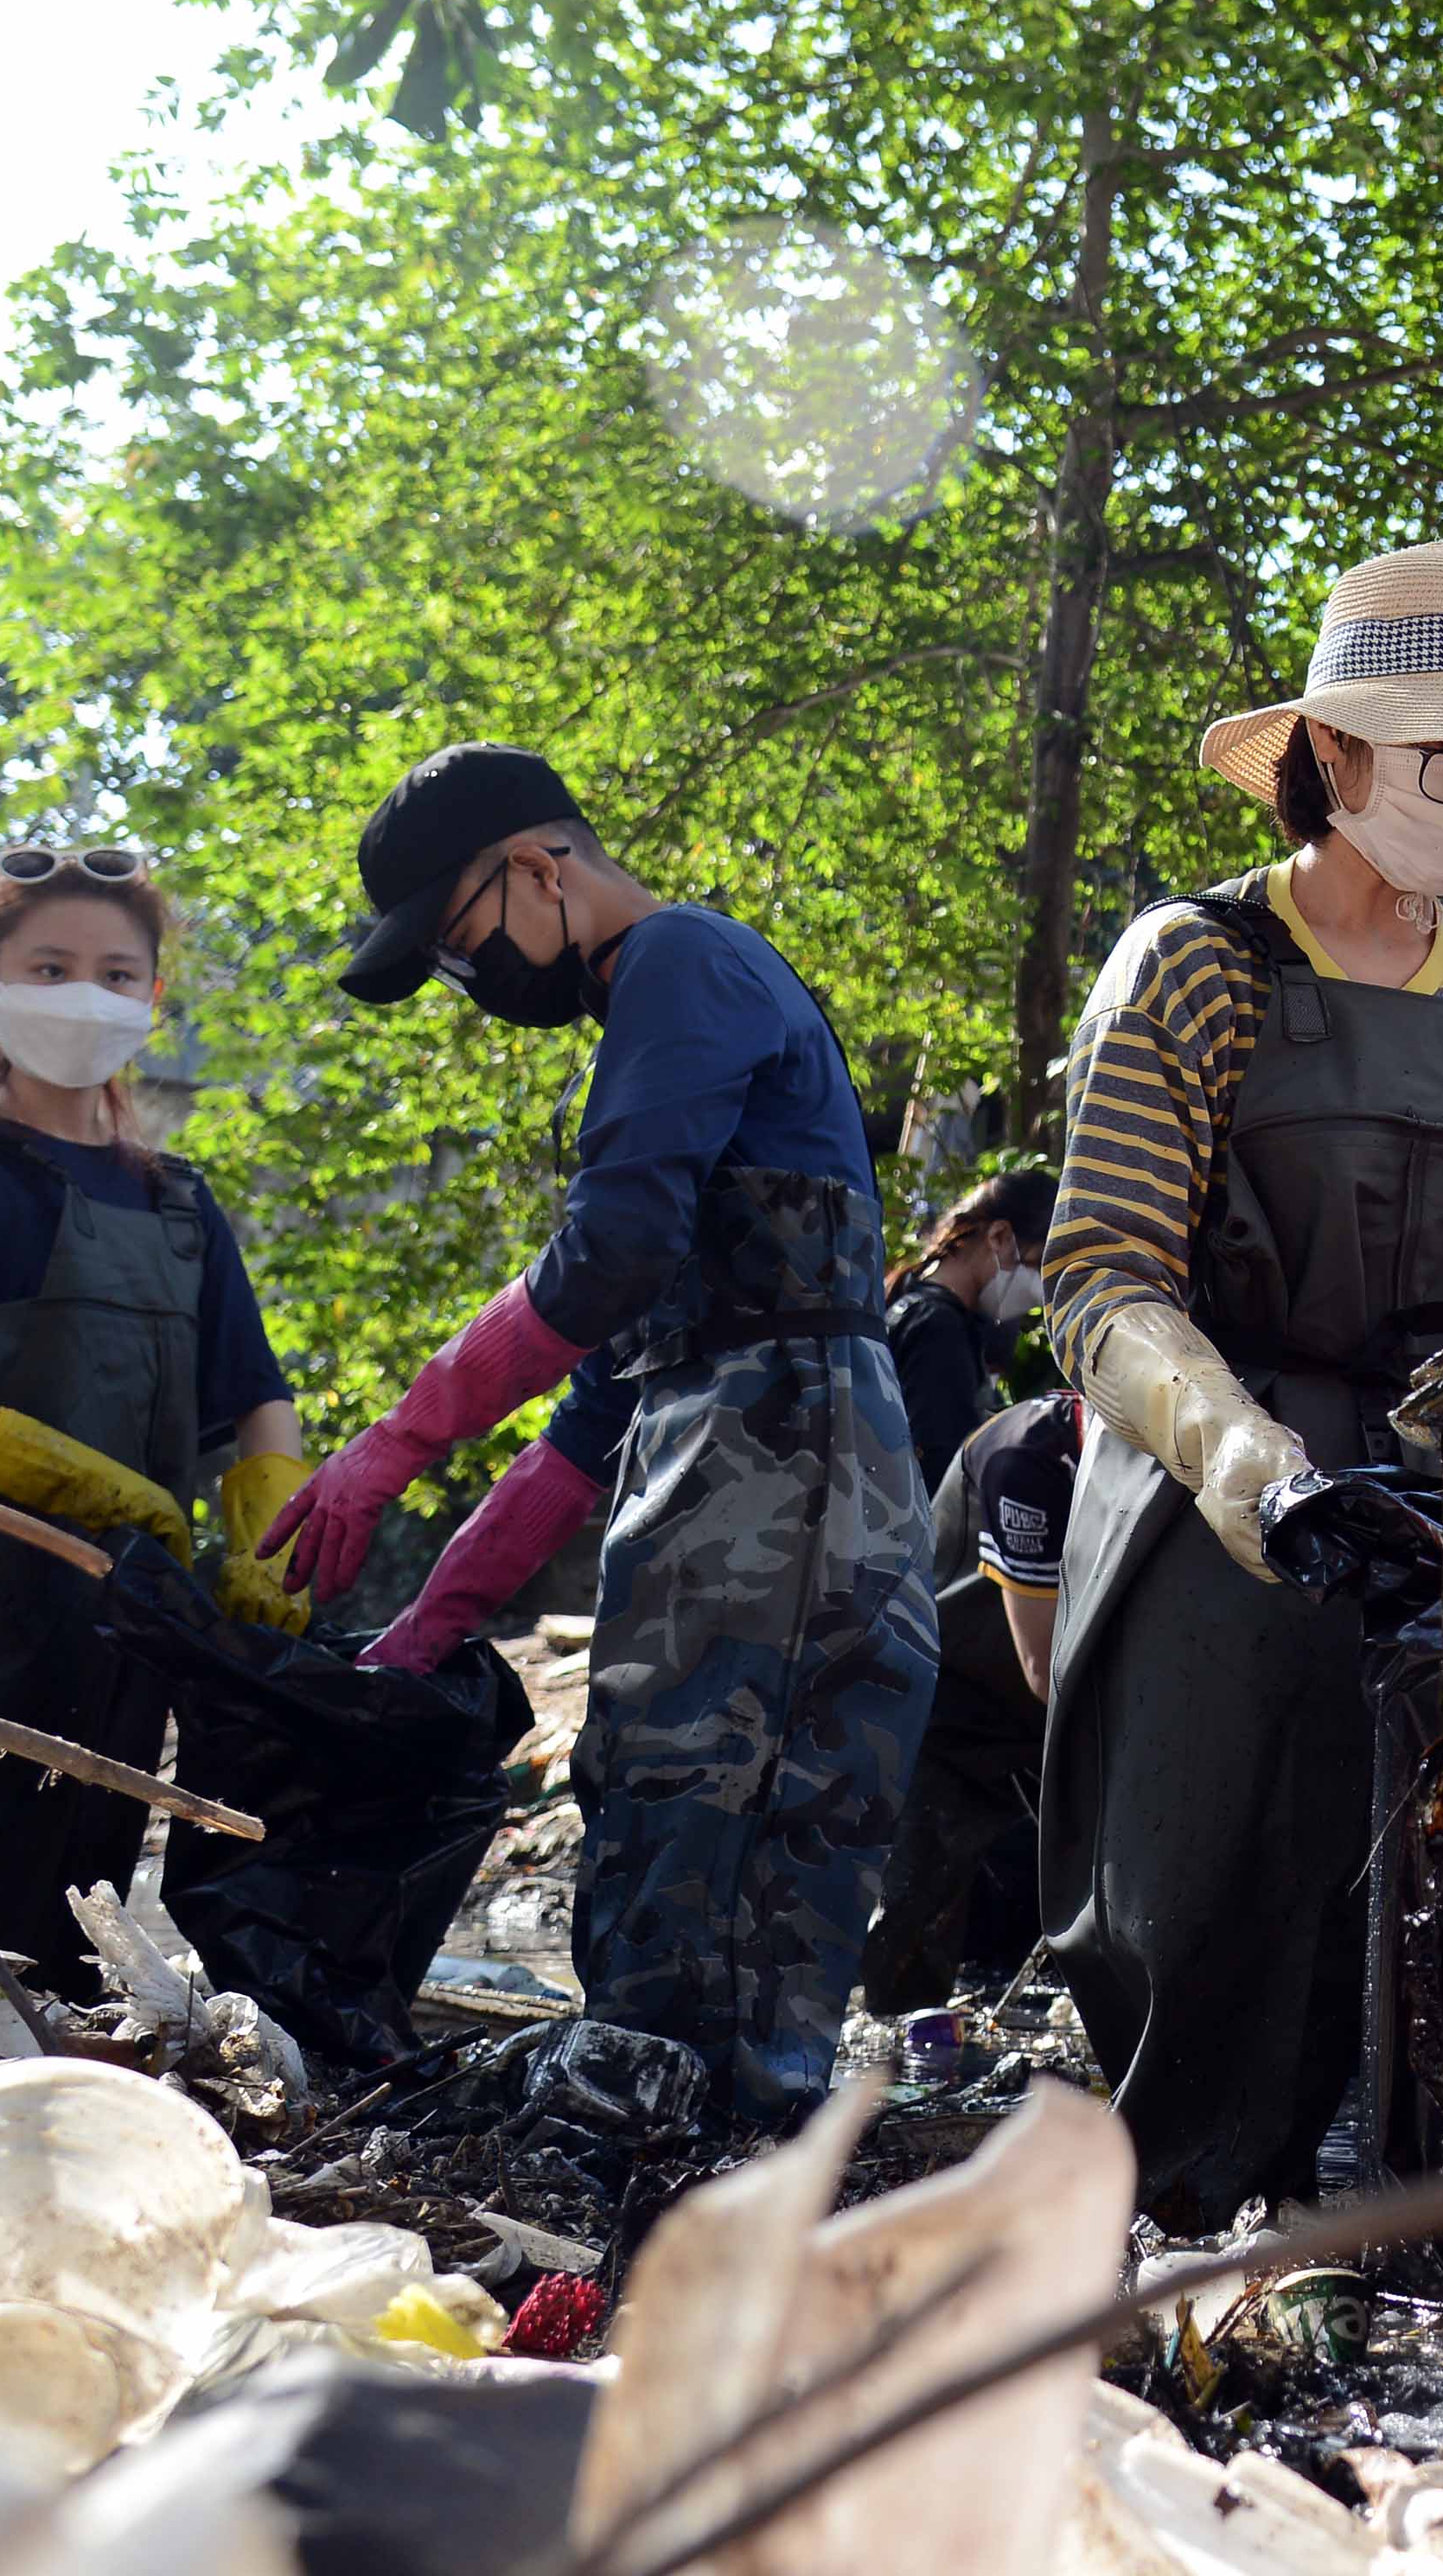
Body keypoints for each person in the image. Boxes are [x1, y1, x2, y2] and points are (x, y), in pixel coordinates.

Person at [1013, 540, 1443, 2228]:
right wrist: (1248, 1464)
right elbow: (1101, 1282)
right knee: (1223, 1883)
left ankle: (1417, 2243)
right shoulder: (1195, 967)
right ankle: (1188, 2218)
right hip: (1224, 1496)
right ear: (1332, 753)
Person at [261, 745, 934, 2125]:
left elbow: (609, 1252)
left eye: (462, 942)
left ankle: (707, 2133)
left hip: (792, 1460)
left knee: (729, 1793)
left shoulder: (681, 960)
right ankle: (661, 2105)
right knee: (651, 1769)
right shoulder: (658, 1033)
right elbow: (596, 1414)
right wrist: (431, 1628)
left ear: (539, 868)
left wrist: (399, 1436)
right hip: (725, 1446)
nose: (472, 981)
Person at [0, 845, 310, 1991]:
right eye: (51, 964)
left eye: (118, 973)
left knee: (66, 1922)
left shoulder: (181, 1205)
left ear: (151, 1000)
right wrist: (69, 1477)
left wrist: (272, 1534)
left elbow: (257, 1399)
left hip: (117, 1630)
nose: (87, 992)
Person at [855, 1166, 1061, 2015]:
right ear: (1000, 1239)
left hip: (929, 1624)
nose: (1041, 1284)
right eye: (1042, 1259)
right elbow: (936, 1476)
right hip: (936, 1615)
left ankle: (902, 2031)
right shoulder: (935, 1330)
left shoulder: (938, 1325)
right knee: (923, 1864)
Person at [883, 1167, 1057, 1471]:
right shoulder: (939, 1328)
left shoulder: (917, 1305)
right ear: (1000, 1237)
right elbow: (940, 1468)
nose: (1039, 1291)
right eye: (1035, 1266)